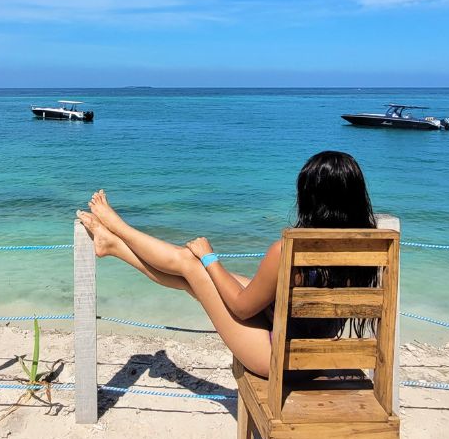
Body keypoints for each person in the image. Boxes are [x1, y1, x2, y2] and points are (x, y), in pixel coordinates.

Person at [77, 150, 377, 377]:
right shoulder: (371, 248)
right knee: (191, 274)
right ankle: (114, 244)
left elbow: (242, 307)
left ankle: (118, 230)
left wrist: (210, 258)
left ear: (308, 197)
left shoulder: (288, 250)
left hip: (277, 358)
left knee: (190, 264)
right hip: (319, 349)